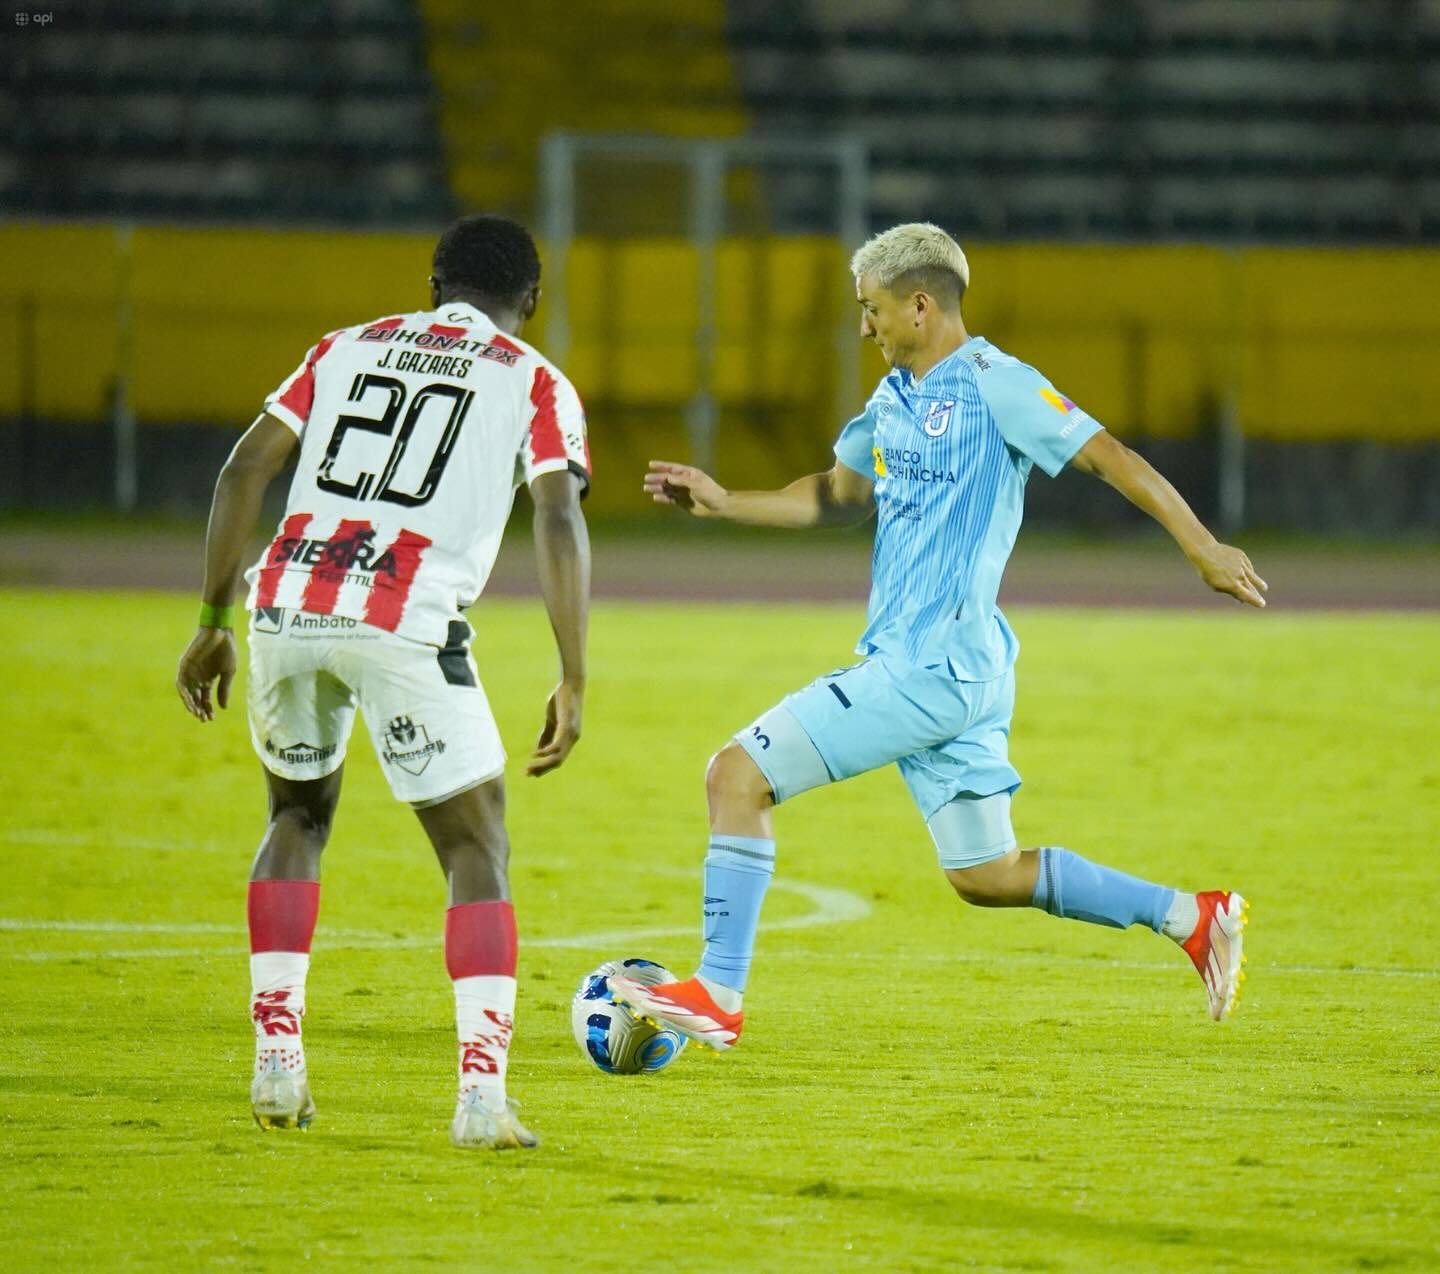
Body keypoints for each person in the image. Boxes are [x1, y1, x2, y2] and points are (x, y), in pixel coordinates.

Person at [611, 222, 1264, 1051]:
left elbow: (1111, 455)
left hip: (929, 669)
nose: (863, 327)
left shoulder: (997, 383)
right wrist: (725, 500)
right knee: (986, 876)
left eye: (872, 310)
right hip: (967, 666)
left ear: (920, 305)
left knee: (735, 776)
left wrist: (1202, 546)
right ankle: (1192, 917)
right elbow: (839, 491)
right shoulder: (894, 397)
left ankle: (718, 994)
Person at [175, 214, 591, 1149]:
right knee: (475, 846)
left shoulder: (343, 346)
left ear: (434, 280)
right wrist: (572, 669)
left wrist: (212, 622)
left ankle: (277, 1058)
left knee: (297, 817)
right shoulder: (534, 379)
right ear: (530, 300)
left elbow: (245, 467)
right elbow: (558, 517)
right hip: (405, 614)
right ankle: (481, 1098)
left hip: (285, 603)